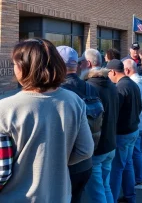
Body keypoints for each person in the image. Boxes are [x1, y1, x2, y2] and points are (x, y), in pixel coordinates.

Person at [0, 39, 94, 202]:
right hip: (60, 195)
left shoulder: (5, 109)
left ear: (23, 67)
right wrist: (54, 161)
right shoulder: (74, 101)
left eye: (14, 64)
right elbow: (85, 150)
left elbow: (2, 171)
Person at [57, 46, 100, 203]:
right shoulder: (90, 88)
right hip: (86, 164)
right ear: (77, 65)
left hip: (66, 165)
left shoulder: (59, 93)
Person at [79, 49, 119, 203]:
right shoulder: (111, 83)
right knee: (105, 186)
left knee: (97, 193)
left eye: (81, 61)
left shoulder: (89, 87)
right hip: (110, 144)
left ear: (88, 63)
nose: (79, 64)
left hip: (97, 149)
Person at [107, 59, 142, 203]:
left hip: (123, 133)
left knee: (117, 169)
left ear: (113, 72)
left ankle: (113, 199)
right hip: (133, 130)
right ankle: (130, 196)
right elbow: (140, 107)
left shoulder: (120, 87)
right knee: (127, 164)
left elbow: (115, 112)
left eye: (108, 72)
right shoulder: (133, 84)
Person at [123, 59, 142, 190]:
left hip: (138, 122)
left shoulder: (132, 84)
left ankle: (139, 179)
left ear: (127, 70)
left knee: (136, 152)